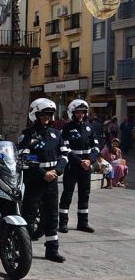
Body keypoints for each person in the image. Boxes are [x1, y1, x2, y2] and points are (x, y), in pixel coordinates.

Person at [18, 98, 68, 263]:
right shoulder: (27, 134)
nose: (46, 117)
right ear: (35, 115)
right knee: (29, 214)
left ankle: (52, 250)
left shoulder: (56, 134)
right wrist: (42, 173)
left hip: (52, 180)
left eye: (49, 114)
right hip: (34, 181)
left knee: (52, 215)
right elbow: (23, 157)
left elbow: (64, 155)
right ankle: (22, 250)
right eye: (43, 114)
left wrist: (57, 171)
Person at [59, 99, 100, 233]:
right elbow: (65, 148)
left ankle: (83, 223)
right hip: (73, 165)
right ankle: (63, 223)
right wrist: (79, 161)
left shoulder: (89, 127)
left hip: (86, 166)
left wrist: (89, 160)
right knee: (67, 194)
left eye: (83, 112)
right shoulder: (67, 128)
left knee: (85, 194)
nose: (80, 115)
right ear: (72, 113)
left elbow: (96, 147)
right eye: (78, 112)